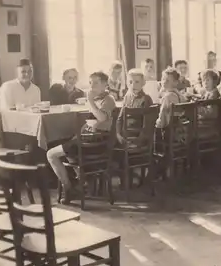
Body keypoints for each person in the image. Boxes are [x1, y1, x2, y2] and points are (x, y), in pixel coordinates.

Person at [46, 72, 116, 204]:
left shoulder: (108, 99)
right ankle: (80, 182)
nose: (92, 86)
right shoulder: (98, 99)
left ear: (105, 85)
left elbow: (102, 118)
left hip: (96, 143)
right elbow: (93, 121)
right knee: (66, 145)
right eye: (90, 83)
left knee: (51, 154)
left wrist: (89, 101)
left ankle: (69, 188)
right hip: (90, 140)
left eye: (95, 83)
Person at [116, 69, 153, 146]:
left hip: (139, 137)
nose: (133, 85)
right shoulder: (127, 97)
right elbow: (120, 118)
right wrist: (118, 134)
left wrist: (137, 142)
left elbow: (147, 125)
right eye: (130, 82)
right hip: (125, 136)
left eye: (137, 82)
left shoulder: (146, 99)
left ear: (143, 83)